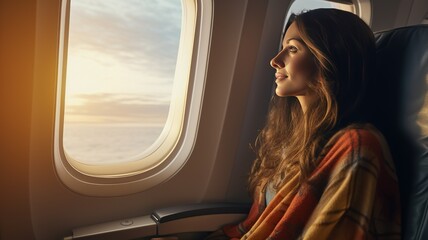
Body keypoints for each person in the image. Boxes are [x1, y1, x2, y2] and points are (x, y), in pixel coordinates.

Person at [206, 8, 401, 240]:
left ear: (329, 58)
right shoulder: (293, 137)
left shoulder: (358, 147)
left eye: (292, 49)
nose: (275, 61)